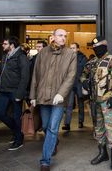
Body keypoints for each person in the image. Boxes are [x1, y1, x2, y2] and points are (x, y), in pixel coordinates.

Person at [29, 29, 77, 171]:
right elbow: (35, 75)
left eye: (65, 36)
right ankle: (53, 142)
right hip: (43, 96)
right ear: (53, 37)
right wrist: (33, 96)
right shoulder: (43, 53)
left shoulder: (70, 54)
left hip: (58, 99)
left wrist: (61, 93)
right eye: (61, 35)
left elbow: (71, 76)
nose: (63, 38)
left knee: (52, 128)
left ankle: (45, 161)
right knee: (45, 126)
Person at [81, 37, 112, 170]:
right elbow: (83, 74)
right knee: (98, 128)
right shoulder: (92, 62)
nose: (96, 49)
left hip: (107, 100)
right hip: (95, 100)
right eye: (94, 47)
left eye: (99, 47)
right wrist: (83, 81)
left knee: (110, 128)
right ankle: (102, 153)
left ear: (105, 46)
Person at [0, 36, 30, 151]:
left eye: (5, 44)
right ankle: (16, 131)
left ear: (12, 45)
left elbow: (25, 76)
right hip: (3, 91)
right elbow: (1, 73)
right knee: (1, 114)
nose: (3, 45)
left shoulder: (21, 57)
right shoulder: (4, 56)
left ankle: (19, 139)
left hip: (15, 91)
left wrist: (20, 94)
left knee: (16, 117)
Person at [62, 43, 87, 131]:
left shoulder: (83, 58)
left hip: (79, 83)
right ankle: (67, 124)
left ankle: (81, 121)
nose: (72, 49)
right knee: (69, 104)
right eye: (71, 48)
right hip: (71, 84)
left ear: (78, 49)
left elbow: (84, 70)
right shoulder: (67, 58)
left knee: (80, 104)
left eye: (73, 48)